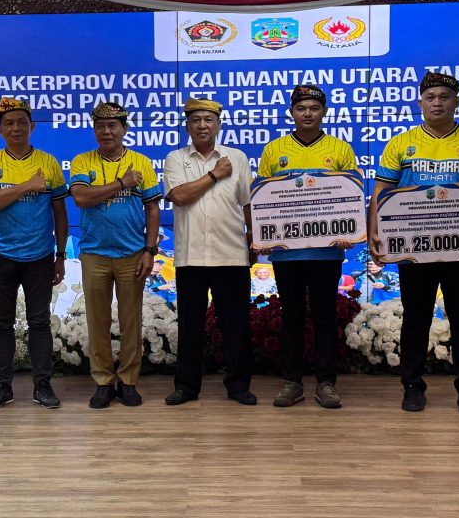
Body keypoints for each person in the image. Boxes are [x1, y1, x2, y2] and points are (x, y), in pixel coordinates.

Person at [368, 72, 459, 415]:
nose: (437, 103)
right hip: (414, 249)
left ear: (456, 102)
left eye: (444, 97)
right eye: (430, 97)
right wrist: (375, 232)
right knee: (415, 318)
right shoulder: (401, 144)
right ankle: (412, 387)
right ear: (420, 103)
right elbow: (381, 192)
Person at [257, 85, 360, 410]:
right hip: (286, 252)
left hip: (327, 251)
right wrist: (262, 235)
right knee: (291, 316)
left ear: (324, 112)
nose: (307, 113)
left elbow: (351, 195)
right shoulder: (274, 150)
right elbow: (262, 198)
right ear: (291, 112)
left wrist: (350, 230)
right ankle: (292, 382)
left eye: (314, 108)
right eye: (301, 108)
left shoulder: (340, 149)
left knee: (325, 316)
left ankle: (326, 383)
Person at [0, 97, 69, 410]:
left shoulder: (49, 162)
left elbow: (60, 213)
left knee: (39, 322)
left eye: (21, 122)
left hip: (39, 256)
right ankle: (2, 387)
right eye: (9, 123)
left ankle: (43, 386)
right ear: (0, 130)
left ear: (32, 126)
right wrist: (27, 185)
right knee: (1, 323)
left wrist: (60, 255)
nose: (16, 128)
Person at [163, 97, 256, 406]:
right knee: (190, 325)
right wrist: (215, 174)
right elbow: (179, 196)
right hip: (190, 255)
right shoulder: (176, 159)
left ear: (218, 125)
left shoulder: (237, 157)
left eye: (208, 120)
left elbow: (247, 203)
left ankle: (238, 386)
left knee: (236, 325)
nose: (202, 125)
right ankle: (186, 387)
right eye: (196, 120)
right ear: (187, 126)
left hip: (231, 253)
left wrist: (253, 237)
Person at [70, 102, 161, 408]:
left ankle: (129, 381)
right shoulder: (82, 161)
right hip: (94, 253)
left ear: (124, 129)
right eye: (100, 126)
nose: (106, 131)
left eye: (112, 126)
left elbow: (152, 209)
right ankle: (103, 382)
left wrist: (149, 250)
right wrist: (122, 183)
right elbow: (81, 198)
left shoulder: (141, 162)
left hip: (132, 253)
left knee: (131, 320)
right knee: (97, 321)